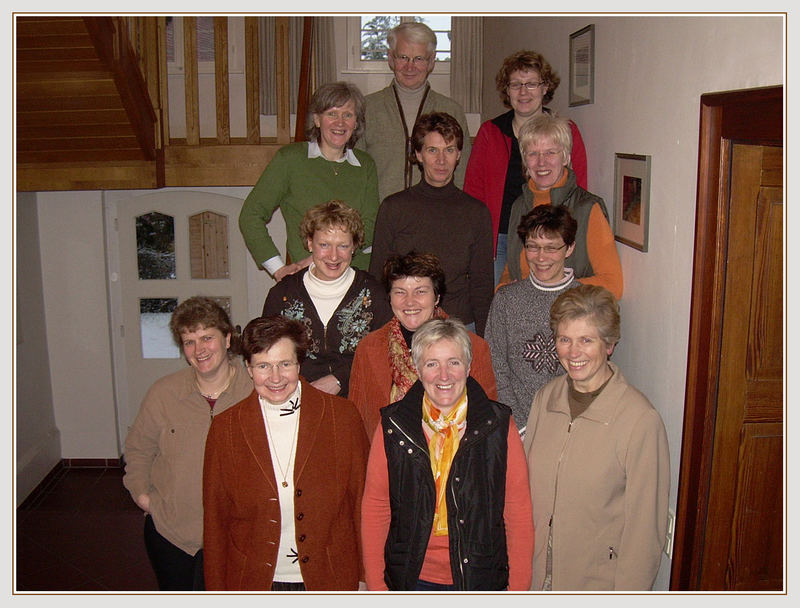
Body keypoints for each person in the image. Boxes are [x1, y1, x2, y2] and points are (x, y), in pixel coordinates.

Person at [361, 318, 534, 591]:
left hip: (481, 580)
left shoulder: (499, 425)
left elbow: (518, 512)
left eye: (453, 362)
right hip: (411, 580)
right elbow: (376, 509)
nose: (444, 375)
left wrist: (518, 591)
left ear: (467, 366)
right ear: (417, 369)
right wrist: (377, 587)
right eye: (432, 364)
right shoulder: (393, 426)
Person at [203, 315, 369, 590]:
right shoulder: (225, 429)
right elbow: (216, 522)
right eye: (263, 366)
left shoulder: (342, 417)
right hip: (254, 581)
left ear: (299, 362)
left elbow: (361, 503)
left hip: (329, 577)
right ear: (248, 367)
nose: (276, 377)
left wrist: (365, 577)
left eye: (285, 364)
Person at [523, 285, 669, 590]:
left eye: (586, 340)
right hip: (535, 579)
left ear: (609, 344)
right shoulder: (545, 399)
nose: (573, 353)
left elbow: (645, 533)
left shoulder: (639, 420)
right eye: (565, 340)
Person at [122, 296, 253, 590]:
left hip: (238, 534)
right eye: (189, 341)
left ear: (228, 338)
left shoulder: (253, 390)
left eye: (207, 337)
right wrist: (143, 497)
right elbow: (138, 449)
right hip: (172, 533)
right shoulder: (163, 393)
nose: (199, 349)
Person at [464, 50, 588, 285]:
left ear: (545, 88)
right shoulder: (490, 133)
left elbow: (579, 186)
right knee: (502, 301)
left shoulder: (567, 131)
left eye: (531, 84)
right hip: (501, 239)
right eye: (516, 84)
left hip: (552, 239)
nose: (523, 92)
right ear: (506, 90)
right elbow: (473, 192)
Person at [239, 81, 379, 281]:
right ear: (317, 119)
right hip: (307, 279)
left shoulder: (365, 165)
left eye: (347, 115)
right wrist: (278, 268)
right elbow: (251, 215)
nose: (340, 123)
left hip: (356, 277)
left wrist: (329, 256)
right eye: (332, 114)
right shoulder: (290, 160)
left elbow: (370, 225)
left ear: (356, 123)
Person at [369, 112, 493, 336]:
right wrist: (385, 335)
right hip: (406, 323)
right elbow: (378, 280)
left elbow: (482, 285)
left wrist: (485, 342)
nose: (441, 160)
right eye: (432, 150)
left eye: (449, 150)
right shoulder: (394, 208)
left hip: (459, 326)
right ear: (418, 154)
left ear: (459, 155)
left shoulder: (476, 213)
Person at [349, 251, 497, 438]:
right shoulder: (368, 348)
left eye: (420, 292)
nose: (410, 302)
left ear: (436, 297)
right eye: (400, 292)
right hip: (386, 460)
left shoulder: (474, 347)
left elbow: (486, 422)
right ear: (390, 298)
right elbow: (356, 421)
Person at [262, 200, 392, 396]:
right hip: (296, 398)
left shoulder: (373, 293)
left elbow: (387, 351)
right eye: (324, 245)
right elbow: (267, 353)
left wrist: (340, 378)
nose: (333, 256)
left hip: (358, 398)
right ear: (309, 243)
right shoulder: (282, 295)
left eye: (343, 246)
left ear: (354, 247)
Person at [499, 113, 623, 299]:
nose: (541, 162)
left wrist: (551, 290)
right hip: (524, 318)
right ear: (525, 161)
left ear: (565, 157)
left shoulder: (587, 208)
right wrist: (503, 288)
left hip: (571, 319)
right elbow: (512, 269)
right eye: (533, 153)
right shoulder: (519, 206)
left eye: (550, 152)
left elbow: (613, 284)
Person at [485, 205, 578, 433]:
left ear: (569, 248)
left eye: (551, 248)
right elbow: (495, 364)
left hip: (570, 426)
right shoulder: (507, 300)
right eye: (532, 247)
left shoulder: (584, 301)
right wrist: (520, 424)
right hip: (515, 425)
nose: (541, 257)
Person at [357, 22, 471, 202]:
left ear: (431, 61)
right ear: (390, 59)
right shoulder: (366, 108)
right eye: (403, 57)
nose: (410, 67)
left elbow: (463, 173)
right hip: (382, 218)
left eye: (419, 58)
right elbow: (356, 170)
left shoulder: (451, 110)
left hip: (436, 215)